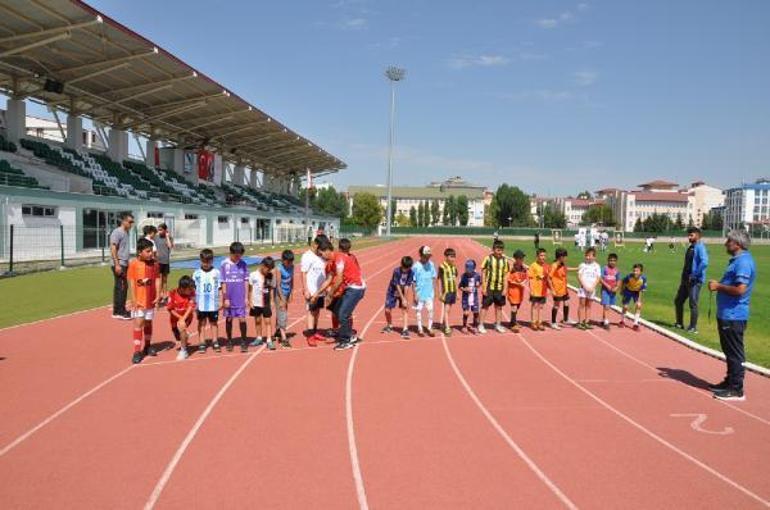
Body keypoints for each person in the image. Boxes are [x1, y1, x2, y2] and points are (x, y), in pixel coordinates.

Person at [707, 230, 756, 401]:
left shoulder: (743, 262)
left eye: (729, 240)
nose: (726, 243)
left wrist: (718, 286)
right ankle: (730, 381)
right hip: (727, 313)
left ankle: (736, 389)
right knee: (729, 350)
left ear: (737, 243)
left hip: (734, 315)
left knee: (734, 352)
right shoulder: (738, 260)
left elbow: (740, 290)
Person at [325, 238, 366, 350]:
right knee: (338, 310)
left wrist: (330, 294)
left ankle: (345, 341)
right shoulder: (343, 257)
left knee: (343, 314)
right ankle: (349, 336)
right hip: (352, 287)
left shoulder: (339, 258)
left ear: (328, 251)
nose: (323, 256)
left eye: (322, 253)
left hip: (355, 288)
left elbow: (338, 278)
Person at [127, 238, 160, 364]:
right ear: (140, 252)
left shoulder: (154, 264)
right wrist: (134, 299)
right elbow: (131, 281)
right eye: (148, 251)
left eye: (151, 251)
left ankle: (147, 345)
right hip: (139, 301)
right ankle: (136, 350)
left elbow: (157, 279)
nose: (151, 253)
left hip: (150, 300)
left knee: (148, 322)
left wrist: (157, 296)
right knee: (138, 324)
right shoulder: (134, 264)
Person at [674, 227, 709, 334]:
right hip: (685, 279)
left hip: (694, 281)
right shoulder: (691, 247)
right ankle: (679, 323)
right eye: (688, 235)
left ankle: (693, 327)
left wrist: (694, 275)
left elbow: (704, 262)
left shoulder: (700, 247)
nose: (689, 237)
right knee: (678, 301)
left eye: (691, 235)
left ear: (698, 236)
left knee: (693, 303)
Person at [221, 242, 250, 352]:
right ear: (231, 253)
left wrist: (246, 297)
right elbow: (223, 282)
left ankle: (243, 341)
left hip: (240, 297)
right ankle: (229, 341)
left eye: (240, 255)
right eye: (236, 255)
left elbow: (246, 281)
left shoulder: (243, 264)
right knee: (229, 319)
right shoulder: (224, 264)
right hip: (229, 298)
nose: (238, 257)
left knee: (242, 319)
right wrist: (226, 298)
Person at [301, 236, 329, 346]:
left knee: (317, 312)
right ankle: (310, 335)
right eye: (322, 247)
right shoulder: (307, 256)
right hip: (312, 290)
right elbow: (303, 273)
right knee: (311, 312)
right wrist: (305, 289)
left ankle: (315, 331)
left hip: (320, 290)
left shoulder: (320, 255)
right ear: (316, 244)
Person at [192, 249, 222, 353]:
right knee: (201, 323)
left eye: (208, 262)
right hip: (201, 304)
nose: (206, 264)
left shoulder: (216, 272)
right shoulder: (196, 273)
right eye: (204, 261)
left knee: (214, 323)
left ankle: (215, 341)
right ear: (200, 260)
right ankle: (202, 342)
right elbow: (193, 289)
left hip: (213, 304)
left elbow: (219, 288)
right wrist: (194, 302)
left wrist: (221, 301)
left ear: (212, 261)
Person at [480, 239, 508, 334]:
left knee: (499, 307)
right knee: (485, 306)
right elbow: (483, 272)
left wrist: (505, 288)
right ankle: (481, 324)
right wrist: (483, 287)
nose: (499, 251)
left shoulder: (505, 260)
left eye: (501, 249)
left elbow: (505, 275)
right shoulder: (488, 259)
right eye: (497, 249)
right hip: (489, 286)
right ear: (493, 249)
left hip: (499, 287)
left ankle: (498, 324)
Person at [382, 256, 414, 339]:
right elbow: (397, 285)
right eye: (404, 268)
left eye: (407, 268)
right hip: (392, 291)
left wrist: (405, 299)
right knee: (387, 310)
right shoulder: (396, 271)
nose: (405, 270)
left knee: (405, 308)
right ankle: (389, 325)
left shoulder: (411, 272)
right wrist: (402, 298)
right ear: (401, 265)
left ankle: (405, 329)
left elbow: (407, 286)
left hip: (403, 291)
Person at [109, 212, 134, 319]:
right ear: (123, 221)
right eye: (129, 222)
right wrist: (117, 264)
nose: (131, 224)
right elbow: (113, 248)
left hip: (124, 263)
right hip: (119, 263)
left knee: (120, 287)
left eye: (132, 222)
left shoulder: (126, 232)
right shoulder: (117, 232)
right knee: (123, 287)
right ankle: (120, 311)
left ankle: (117, 311)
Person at [249, 256, 276, 350]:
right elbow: (250, 289)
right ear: (262, 265)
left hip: (266, 302)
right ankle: (259, 338)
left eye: (270, 269)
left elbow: (272, 289)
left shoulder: (270, 276)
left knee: (267, 321)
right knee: (257, 320)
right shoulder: (253, 275)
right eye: (267, 269)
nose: (268, 271)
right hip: (256, 302)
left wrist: (272, 300)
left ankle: (269, 340)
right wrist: (250, 301)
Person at [167, 275, 196, 360]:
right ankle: (185, 336)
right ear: (182, 288)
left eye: (192, 289)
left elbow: (191, 307)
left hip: (187, 317)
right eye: (189, 289)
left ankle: (184, 351)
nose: (191, 291)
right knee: (179, 337)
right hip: (174, 318)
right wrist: (180, 318)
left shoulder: (192, 293)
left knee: (182, 328)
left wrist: (183, 319)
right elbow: (170, 309)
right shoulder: (172, 293)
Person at [411, 245, 437, 337]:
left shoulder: (431, 264)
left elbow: (434, 277)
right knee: (419, 310)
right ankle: (420, 329)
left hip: (429, 292)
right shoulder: (415, 266)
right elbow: (413, 281)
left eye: (429, 256)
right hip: (419, 292)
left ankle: (429, 327)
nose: (428, 258)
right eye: (426, 256)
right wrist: (414, 294)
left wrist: (434, 290)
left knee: (430, 310)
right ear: (421, 255)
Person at [549, 248, 575, 329]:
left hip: (564, 288)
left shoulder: (562, 264)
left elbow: (566, 269)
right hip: (557, 289)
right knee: (556, 305)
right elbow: (549, 278)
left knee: (566, 302)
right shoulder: (554, 265)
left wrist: (578, 268)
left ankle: (565, 319)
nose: (566, 258)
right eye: (565, 256)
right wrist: (552, 290)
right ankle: (553, 322)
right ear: (560, 257)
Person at [577, 247, 602, 330]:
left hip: (592, 289)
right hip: (583, 288)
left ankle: (586, 322)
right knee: (582, 305)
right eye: (586, 255)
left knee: (589, 306)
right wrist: (585, 286)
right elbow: (579, 277)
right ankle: (580, 322)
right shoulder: (582, 265)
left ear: (594, 257)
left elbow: (598, 278)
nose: (588, 257)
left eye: (590, 256)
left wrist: (592, 287)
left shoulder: (597, 266)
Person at [274, 249, 295, 348]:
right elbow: (277, 285)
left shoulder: (292, 267)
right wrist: (282, 298)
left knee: (282, 312)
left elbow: (292, 280)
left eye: (291, 262)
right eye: (287, 262)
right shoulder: (279, 268)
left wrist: (291, 293)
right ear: (283, 260)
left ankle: (278, 330)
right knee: (283, 314)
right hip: (279, 294)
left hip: (287, 293)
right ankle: (284, 338)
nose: (289, 264)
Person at [438, 248, 458, 335]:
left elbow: (455, 279)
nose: (453, 258)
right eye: (451, 257)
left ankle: (443, 324)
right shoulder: (442, 267)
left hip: (453, 291)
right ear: (446, 257)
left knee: (449, 309)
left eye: (454, 257)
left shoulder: (454, 267)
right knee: (446, 309)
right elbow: (438, 280)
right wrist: (439, 293)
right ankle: (447, 327)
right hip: (446, 292)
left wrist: (457, 293)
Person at [506, 250, 528, 333]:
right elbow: (508, 280)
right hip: (513, 291)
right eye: (521, 258)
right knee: (514, 307)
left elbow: (526, 277)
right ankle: (512, 324)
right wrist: (518, 283)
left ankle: (513, 321)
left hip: (521, 291)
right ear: (516, 259)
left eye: (523, 258)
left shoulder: (524, 268)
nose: (522, 259)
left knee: (517, 307)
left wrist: (524, 282)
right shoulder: (512, 268)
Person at [620, 263, 647, 330]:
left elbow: (641, 289)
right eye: (634, 270)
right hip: (628, 291)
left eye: (637, 271)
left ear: (641, 272)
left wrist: (639, 300)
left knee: (639, 305)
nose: (635, 272)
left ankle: (635, 323)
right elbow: (623, 282)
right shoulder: (629, 276)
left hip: (636, 292)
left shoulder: (643, 278)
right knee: (625, 307)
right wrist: (622, 291)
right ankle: (622, 321)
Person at [528, 248, 548, 331]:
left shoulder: (546, 266)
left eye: (544, 255)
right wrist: (531, 290)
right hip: (535, 290)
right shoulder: (533, 266)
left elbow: (548, 278)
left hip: (543, 290)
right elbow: (530, 278)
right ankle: (533, 322)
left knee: (541, 306)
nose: (543, 257)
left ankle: (540, 322)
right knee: (535, 306)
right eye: (541, 255)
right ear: (537, 256)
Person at [459, 259, 482, 334]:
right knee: (466, 313)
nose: (468, 271)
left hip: (474, 297)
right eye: (466, 269)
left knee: (476, 312)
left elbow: (479, 283)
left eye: (469, 269)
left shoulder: (477, 275)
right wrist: (465, 289)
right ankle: (464, 326)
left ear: (473, 269)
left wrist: (478, 285)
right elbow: (460, 286)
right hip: (466, 297)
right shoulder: (463, 276)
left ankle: (475, 326)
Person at [600, 253, 621, 329]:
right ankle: (606, 322)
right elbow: (600, 279)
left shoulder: (617, 270)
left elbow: (618, 280)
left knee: (608, 306)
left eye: (614, 261)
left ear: (616, 261)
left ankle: (603, 319)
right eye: (611, 260)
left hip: (613, 291)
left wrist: (617, 287)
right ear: (608, 260)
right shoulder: (604, 268)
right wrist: (606, 285)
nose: (612, 262)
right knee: (606, 306)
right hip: (605, 290)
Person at [156, 223, 174, 304]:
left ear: (165, 230)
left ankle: (165, 296)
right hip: (158, 262)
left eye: (161, 230)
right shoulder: (156, 237)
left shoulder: (169, 238)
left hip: (166, 261)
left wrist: (167, 236)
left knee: (165, 280)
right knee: (159, 280)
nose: (159, 231)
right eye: (158, 230)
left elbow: (170, 246)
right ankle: (158, 296)